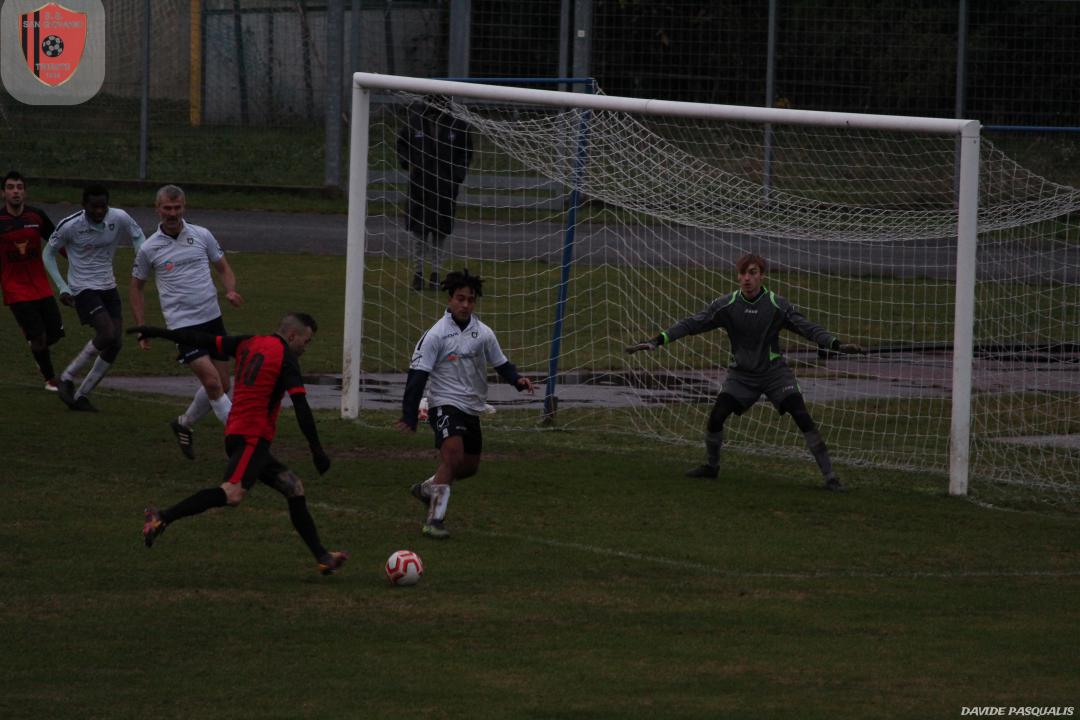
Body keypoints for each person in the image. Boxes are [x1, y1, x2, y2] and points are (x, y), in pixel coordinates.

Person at [626, 253, 865, 491]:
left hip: (774, 374)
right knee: (716, 417)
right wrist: (657, 341)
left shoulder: (777, 305)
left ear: (762, 276)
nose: (747, 278)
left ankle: (831, 478)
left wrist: (836, 344)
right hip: (741, 376)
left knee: (802, 416)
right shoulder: (726, 305)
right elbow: (691, 323)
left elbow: (808, 328)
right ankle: (711, 467)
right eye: (743, 273)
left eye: (752, 273)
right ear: (738, 277)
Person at [134, 313, 348, 576]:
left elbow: (199, 338)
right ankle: (161, 517)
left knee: (293, 486)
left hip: (237, 433)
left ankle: (323, 557)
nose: (306, 347)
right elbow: (301, 408)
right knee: (232, 493)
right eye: (306, 341)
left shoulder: (249, 342)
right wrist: (317, 451)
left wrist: (157, 331)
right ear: (292, 336)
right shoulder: (286, 359)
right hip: (251, 438)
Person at [394, 269, 535, 538]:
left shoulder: (483, 333)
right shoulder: (435, 335)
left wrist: (517, 380)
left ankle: (427, 489)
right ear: (450, 299)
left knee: (468, 468)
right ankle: (434, 521)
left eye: (470, 300)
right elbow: (417, 375)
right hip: (444, 403)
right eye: (460, 299)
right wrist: (409, 414)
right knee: (453, 456)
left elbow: (501, 363)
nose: (465, 305)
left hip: (472, 407)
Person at [130, 184, 243, 459]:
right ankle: (242, 443)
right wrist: (142, 326)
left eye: (177, 207)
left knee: (224, 384)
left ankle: (184, 423)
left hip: (212, 319)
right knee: (213, 383)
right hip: (182, 326)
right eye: (167, 208)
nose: (172, 213)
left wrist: (230, 290)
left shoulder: (202, 235)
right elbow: (136, 287)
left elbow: (223, 267)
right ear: (157, 209)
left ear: (184, 207)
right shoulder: (149, 248)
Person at [43, 184, 145, 412]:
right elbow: (48, 253)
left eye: (103, 207)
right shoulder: (70, 226)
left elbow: (138, 237)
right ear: (84, 205)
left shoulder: (119, 217)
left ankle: (81, 396)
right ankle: (66, 377)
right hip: (83, 288)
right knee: (106, 333)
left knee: (115, 343)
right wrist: (63, 287)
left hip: (108, 286)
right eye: (94, 207)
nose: (99, 211)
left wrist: (142, 260)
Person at [396, 96, 474, 291]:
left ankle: (436, 274)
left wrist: (456, 175)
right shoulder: (416, 121)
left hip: (445, 188)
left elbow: (466, 151)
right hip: (420, 187)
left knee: (440, 233)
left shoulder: (457, 124)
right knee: (419, 233)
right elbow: (402, 143)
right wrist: (409, 162)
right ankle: (418, 273)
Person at [0, 170, 64, 390]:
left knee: (55, 332)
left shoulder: (36, 216)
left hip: (40, 285)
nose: (15, 191)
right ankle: (50, 379)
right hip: (15, 288)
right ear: (3, 193)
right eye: (10, 187)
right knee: (38, 338)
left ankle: (36, 346)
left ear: (25, 192)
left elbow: (56, 241)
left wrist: (77, 260)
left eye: (19, 187)